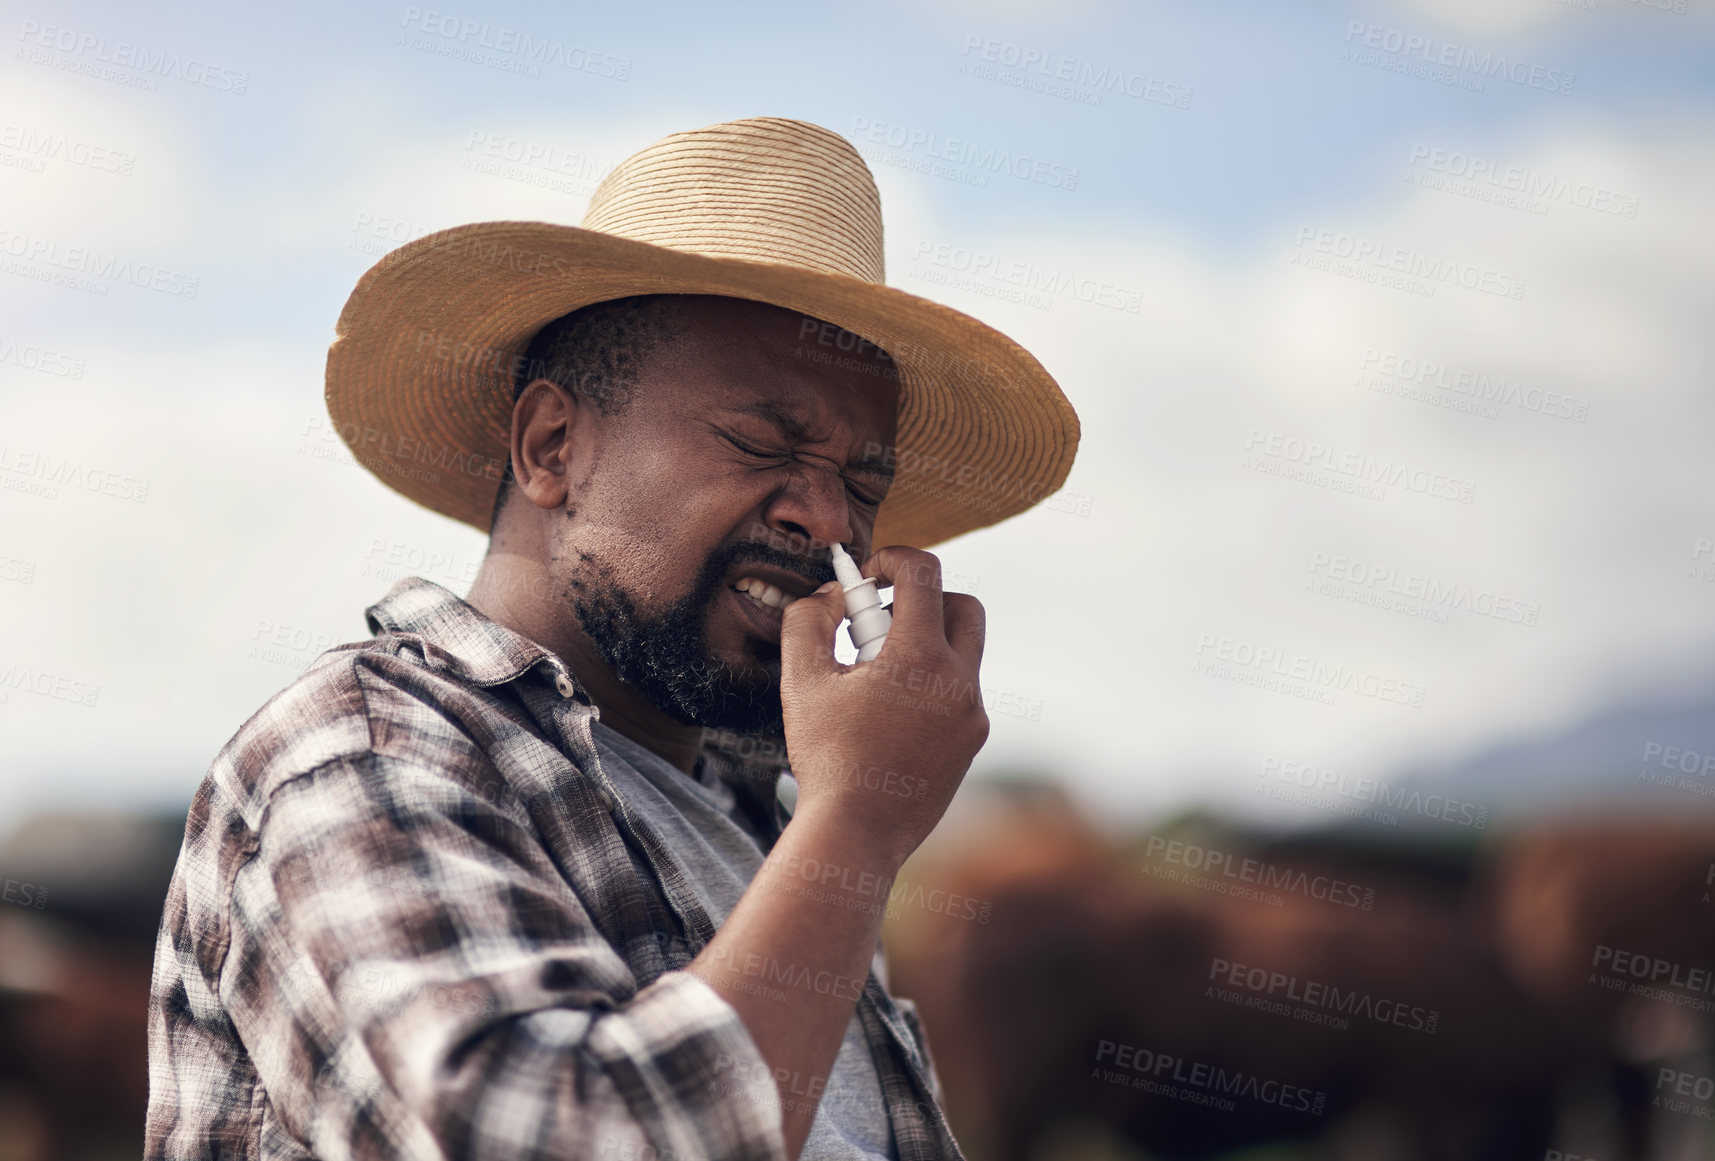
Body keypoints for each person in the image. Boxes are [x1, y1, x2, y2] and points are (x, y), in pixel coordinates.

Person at [144, 116, 1079, 1161]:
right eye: (760, 442)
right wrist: (859, 825)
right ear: (552, 448)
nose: (828, 523)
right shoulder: (362, 756)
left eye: (863, 482)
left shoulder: (751, 821)